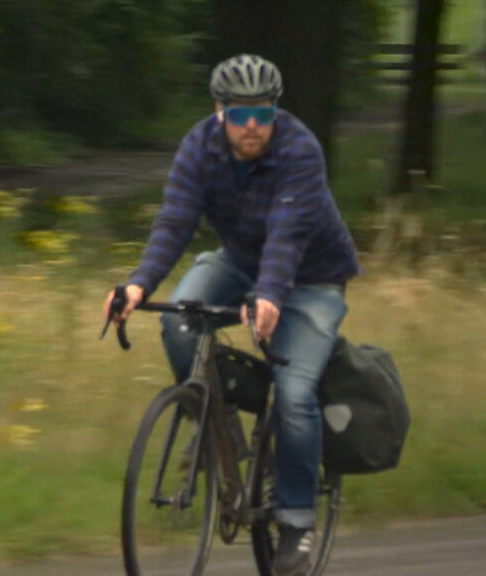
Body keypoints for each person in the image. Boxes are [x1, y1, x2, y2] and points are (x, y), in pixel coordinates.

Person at [105, 54, 360, 575]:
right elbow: (174, 221)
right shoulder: (199, 147)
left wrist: (269, 296)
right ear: (219, 111)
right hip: (239, 264)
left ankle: (296, 521)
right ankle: (218, 433)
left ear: (274, 112)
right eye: (239, 114)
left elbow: (287, 239)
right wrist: (137, 283)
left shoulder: (300, 150)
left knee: (292, 393)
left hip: (311, 280)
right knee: (176, 319)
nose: (251, 126)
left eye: (261, 114)